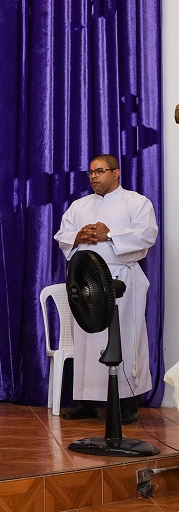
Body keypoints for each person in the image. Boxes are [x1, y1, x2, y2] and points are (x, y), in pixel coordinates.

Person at [55, 153, 158, 423]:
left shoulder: (136, 202)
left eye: (100, 171)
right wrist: (78, 236)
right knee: (88, 340)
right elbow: (62, 235)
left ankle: (127, 403)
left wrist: (108, 235)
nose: (94, 177)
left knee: (123, 336)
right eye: (90, 172)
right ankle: (86, 400)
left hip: (121, 278)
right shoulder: (79, 205)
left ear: (116, 173)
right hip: (88, 279)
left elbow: (148, 234)